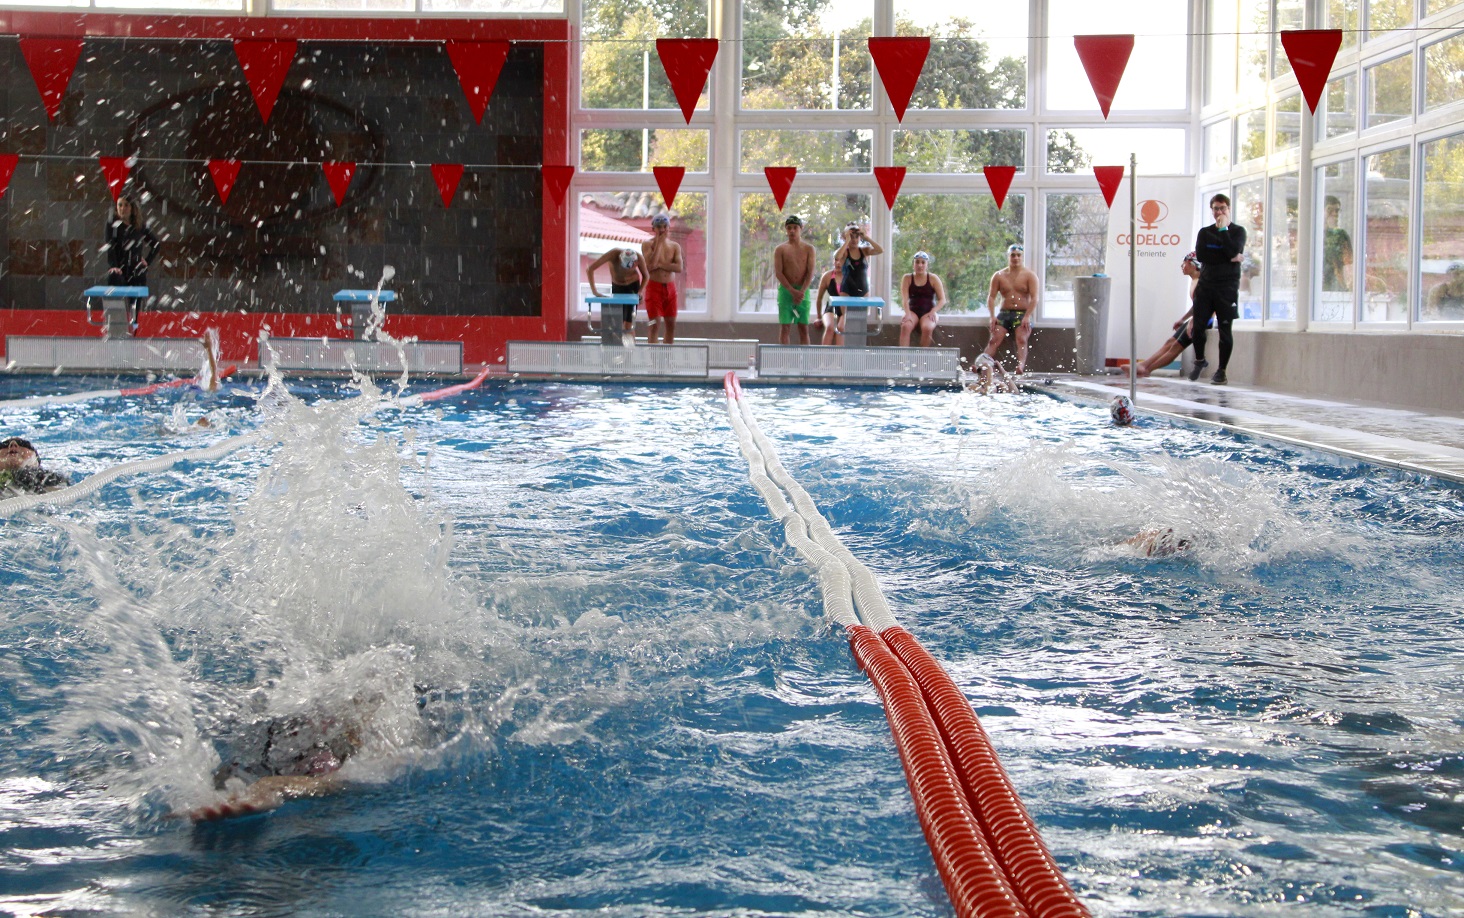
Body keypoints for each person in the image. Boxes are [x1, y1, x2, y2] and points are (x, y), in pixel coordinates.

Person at [1190, 193, 1247, 386]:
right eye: (1216, 208)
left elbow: (1233, 250)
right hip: (1206, 286)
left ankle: (1221, 371)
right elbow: (1203, 256)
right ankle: (1199, 359)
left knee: (1224, 329)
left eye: (1222, 208)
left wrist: (1223, 231)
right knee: (1198, 327)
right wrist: (1229, 257)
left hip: (1227, 288)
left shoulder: (1238, 231)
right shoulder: (1204, 233)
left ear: (1228, 209)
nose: (1219, 212)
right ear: (1211, 210)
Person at [1136, 252, 1204, 378]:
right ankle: (1144, 365)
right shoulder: (1194, 280)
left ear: (1193, 265)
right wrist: (1183, 319)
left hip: (1202, 320)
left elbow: (1208, 306)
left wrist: (1193, 321)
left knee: (1175, 347)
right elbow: (1197, 305)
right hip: (1196, 318)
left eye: (1184, 263)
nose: (1182, 266)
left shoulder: (1202, 282)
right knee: (1170, 342)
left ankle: (1147, 369)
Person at [983, 244, 1039, 372]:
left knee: (1021, 339)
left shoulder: (1030, 275)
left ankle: (1020, 366)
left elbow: (1035, 298)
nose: (1016, 258)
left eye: (1018, 255)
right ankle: (982, 365)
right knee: (993, 340)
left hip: (1022, 313)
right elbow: (991, 297)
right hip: (1004, 313)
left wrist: (1027, 316)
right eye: (1013, 255)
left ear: (1022, 257)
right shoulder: (999, 275)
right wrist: (992, 316)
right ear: (1008, 257)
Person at [586, 246, 650, 340]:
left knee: (629, 324)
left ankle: (630, 351)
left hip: (633, 287)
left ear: (636, 263)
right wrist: (595, 291)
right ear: (620, 259)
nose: (627, 270)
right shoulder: (613, 254)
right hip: (618, 287)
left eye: (630, 267)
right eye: (625, 267)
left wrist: (640, 291)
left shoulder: (639, 258)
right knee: (616, 323)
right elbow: (590, 269)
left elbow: (646, 276)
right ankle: (617, 349)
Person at [773, 214, 816, 345]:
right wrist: (792, 291)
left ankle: (805, 363)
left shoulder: (809, 249)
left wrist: (801, 291)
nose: (792, 230)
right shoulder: (780, 249)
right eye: (789, 228)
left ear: (800, 229)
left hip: (803, 291)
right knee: (785, 327)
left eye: (795, 227)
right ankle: (785, 363)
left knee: (803, 328)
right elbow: (779, 273)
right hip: (786, 291)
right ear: (786, 230)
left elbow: (810, 272)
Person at [641, 214, 684, 344]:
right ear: (653, 228)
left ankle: (666, 359)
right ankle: (654, 361)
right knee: (654, 324)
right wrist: (659, 243)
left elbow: (679, 267)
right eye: (659, 227)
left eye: (665, 226)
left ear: (668, 227)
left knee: (671, 324)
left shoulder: (674, 246)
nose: (662, 229)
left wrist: (660, 265)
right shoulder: (647, 244)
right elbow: (650, 266)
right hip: (654, 287)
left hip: (670, 288)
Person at [105, 194, 159, 289]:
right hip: (119, 270)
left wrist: (147, 260)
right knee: (117, 299)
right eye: (120, 205)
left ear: (132, 208)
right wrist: (114, 266)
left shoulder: (139, 226)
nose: (122, 208)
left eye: (126, 205)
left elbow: (156, 244)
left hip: (136, 271)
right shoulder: (112, 225)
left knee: (135, 301)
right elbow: (110, 245)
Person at [898, 251, 947, 347]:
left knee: (927, 328)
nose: (920, 265)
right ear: (913, 264)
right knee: (905, 326)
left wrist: (933, 311)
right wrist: (907, 313)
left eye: (923, 262)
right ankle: (903, 359)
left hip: (928, 312)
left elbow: (942, 300)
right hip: (913, 312)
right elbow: (905, 299)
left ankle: (922, 359)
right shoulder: (907, 278)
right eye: (917, 262)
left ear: (927, 265)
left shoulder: (933, 278)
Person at [0, 437, 70, 495]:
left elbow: (63, 496)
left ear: (36, 459)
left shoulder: (49, 477)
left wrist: (32, 484)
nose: (13, 444)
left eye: (23, 444)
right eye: (5, 445)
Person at [834, 221, 884, 299]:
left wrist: (867, 238)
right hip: (847, 291)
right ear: (846, 237)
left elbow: (880, 250)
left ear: (860, 237)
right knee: (846, 312)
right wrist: (847, 241)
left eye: (856, 237)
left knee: (862, 311)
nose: (854, 240)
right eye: (851, 237)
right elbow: (837, 257)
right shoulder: (844, 253)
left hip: (864, 291)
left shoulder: (864, 251)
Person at [1321, 195, 1353, 293]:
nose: (1334, 214)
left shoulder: (1340, 235)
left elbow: (1349, 264)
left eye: (1337, 211)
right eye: (1330, 210)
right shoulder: (1310, 235)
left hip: (1337, 288)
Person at [816, 253, 843, 345]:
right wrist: (818, 317)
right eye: (836, 260)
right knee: (830, 328)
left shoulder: (850, 276)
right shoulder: (827, 276)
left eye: (841, 260)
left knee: (840, 329)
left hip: (845, 309)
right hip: (831, 308)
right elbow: (819, 298)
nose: (838, 263)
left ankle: (839, 359)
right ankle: (823, 359)